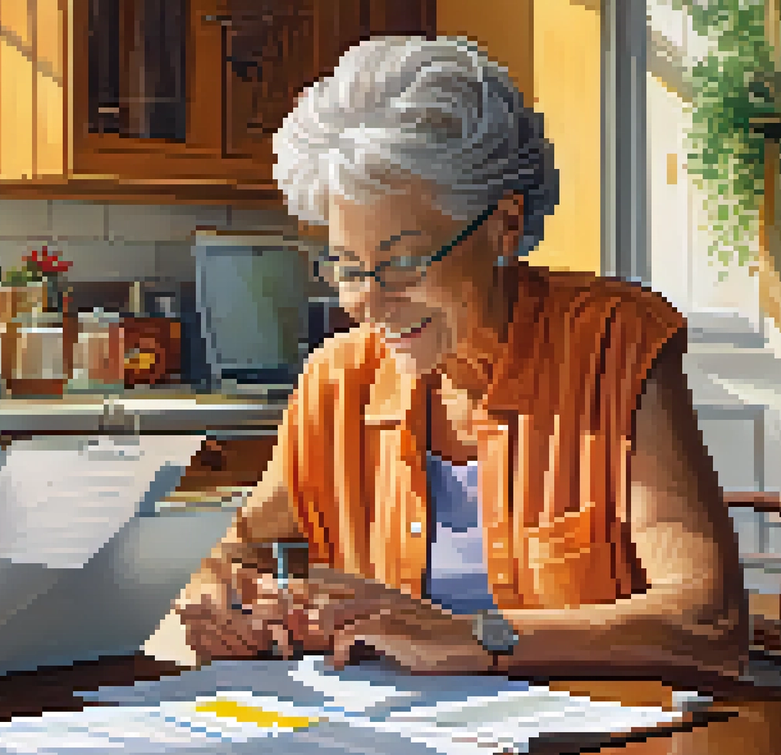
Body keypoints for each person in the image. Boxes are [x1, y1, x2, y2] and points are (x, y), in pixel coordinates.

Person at [176, 36, 748, 680]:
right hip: (398, 748)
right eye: (347, 266)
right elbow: (237, 550)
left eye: (402, 263)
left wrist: (480, 638)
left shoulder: (616, 342)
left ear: (504, 224)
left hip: (594, 750)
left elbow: (709, 622)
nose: (367, 302)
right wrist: (213, 589)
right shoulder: (337, 379)